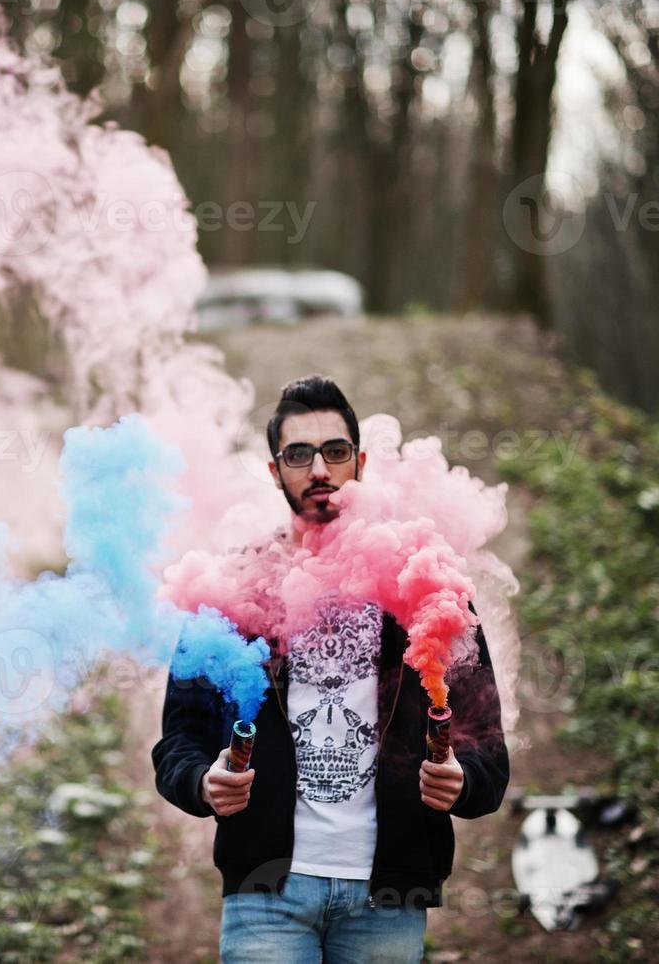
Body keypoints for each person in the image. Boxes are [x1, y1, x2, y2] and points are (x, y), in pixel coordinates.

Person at [151, 375, 509, 963]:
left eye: (335, 452)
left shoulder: (421, 585)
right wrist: (202, 782)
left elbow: (488, 750)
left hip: (390, 895)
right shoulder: (237, 588)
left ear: (360, 462)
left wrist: (462, 781)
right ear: (275, 472)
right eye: (298, 454)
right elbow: (178, 742)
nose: (319, 469)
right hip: (265, 891)